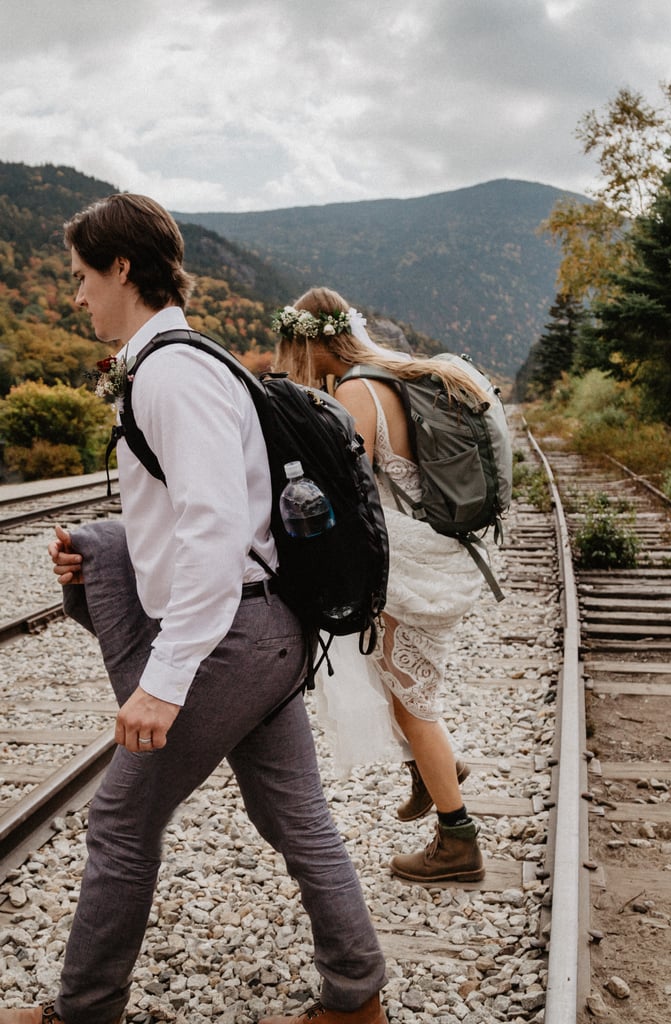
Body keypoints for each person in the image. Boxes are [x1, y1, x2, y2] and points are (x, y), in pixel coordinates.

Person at [0, 196, 387, 1024]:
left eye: (80, 279)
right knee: (296, 815)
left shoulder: (172, 373)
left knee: (119, 820)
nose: (75, 299)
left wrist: (166, 680)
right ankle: (358, 997)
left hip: (229, 642)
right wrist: (106, 542)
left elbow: (213, 533)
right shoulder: (185, 361)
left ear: (123, 270)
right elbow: (206, 512)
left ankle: (85, 1010)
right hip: (262, 632)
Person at [273, 287, 487, 884]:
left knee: (413, 700)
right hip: (431, 552)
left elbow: (349, 486)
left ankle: (458, 839)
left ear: (310, 343)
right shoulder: (385, 376)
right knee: (395, 681)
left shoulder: (355, 392)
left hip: (412, 564)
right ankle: (431, 770)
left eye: (293, 349)